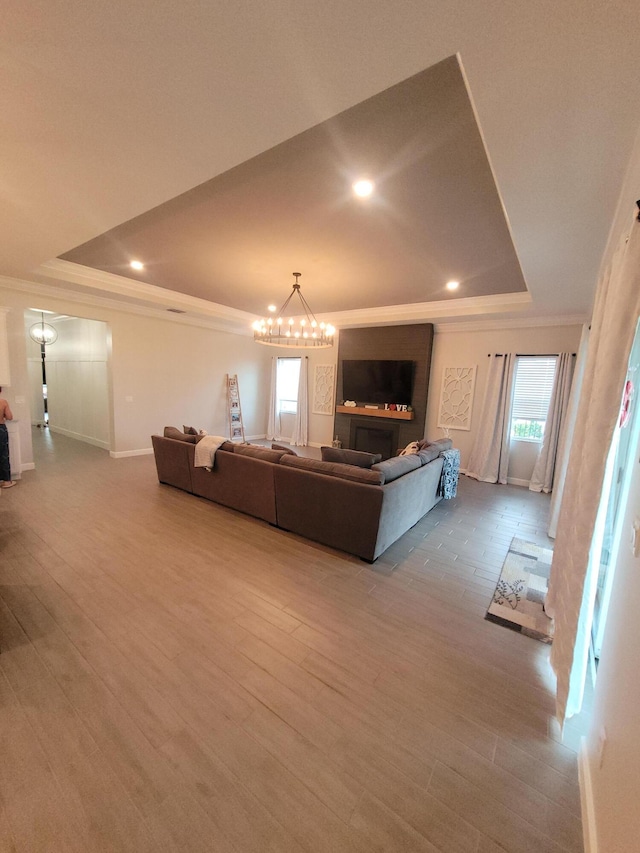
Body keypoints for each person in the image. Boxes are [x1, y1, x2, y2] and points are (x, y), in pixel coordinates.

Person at [0, 387, 16, 488]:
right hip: (0, 429)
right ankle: (6, 481)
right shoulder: (3, 402)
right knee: (3, 454)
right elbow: (10, 417)